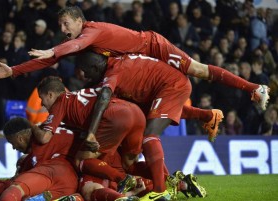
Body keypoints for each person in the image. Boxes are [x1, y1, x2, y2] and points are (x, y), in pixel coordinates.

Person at [0, 6, 270, 111]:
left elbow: (74, 46)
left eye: (65, 25)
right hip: (135, 62)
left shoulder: (91, 30)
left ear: (78, 20)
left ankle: (255, 88)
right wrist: (14, 70)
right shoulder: (73, 40)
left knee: (198, 70)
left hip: (152, 46)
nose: (63, 31)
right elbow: (50, 61)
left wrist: (53, 50)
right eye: (60, 28)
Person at [74, 51, 208, 200]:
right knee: (131, 164)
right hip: (135, 127)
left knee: (84, 164)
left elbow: (102, 100)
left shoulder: (105, 85)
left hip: (114, 137)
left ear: (95, 68)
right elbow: (171, 108)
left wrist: (90, 131)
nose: (85, 76)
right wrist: (203, 115)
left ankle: (153, 187)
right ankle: (176, 183)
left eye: (86, 72)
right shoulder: (129, 78)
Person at [0, 117, 81, 201]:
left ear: (19, 138)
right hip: (75, 180)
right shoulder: (51, 126)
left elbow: (35, 174)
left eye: (12, 143)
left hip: (56, 174)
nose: (13, 147)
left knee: (11, 194)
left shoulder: (38, 149)